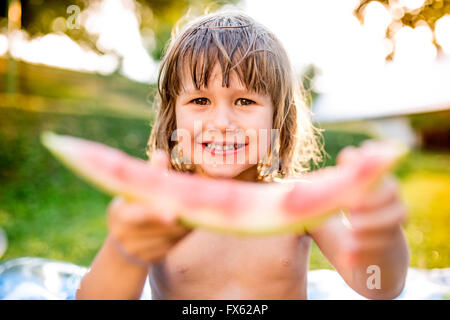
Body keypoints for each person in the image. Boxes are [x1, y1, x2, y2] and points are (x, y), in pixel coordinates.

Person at [75, 10, 409, 300]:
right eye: (200, 101)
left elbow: (378, 286)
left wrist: (382, 235)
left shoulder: (305, 202)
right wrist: (125, 250)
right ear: (172, 115)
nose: (222, 123)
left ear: (278, 116)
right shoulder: (156, 207)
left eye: (245, 101)